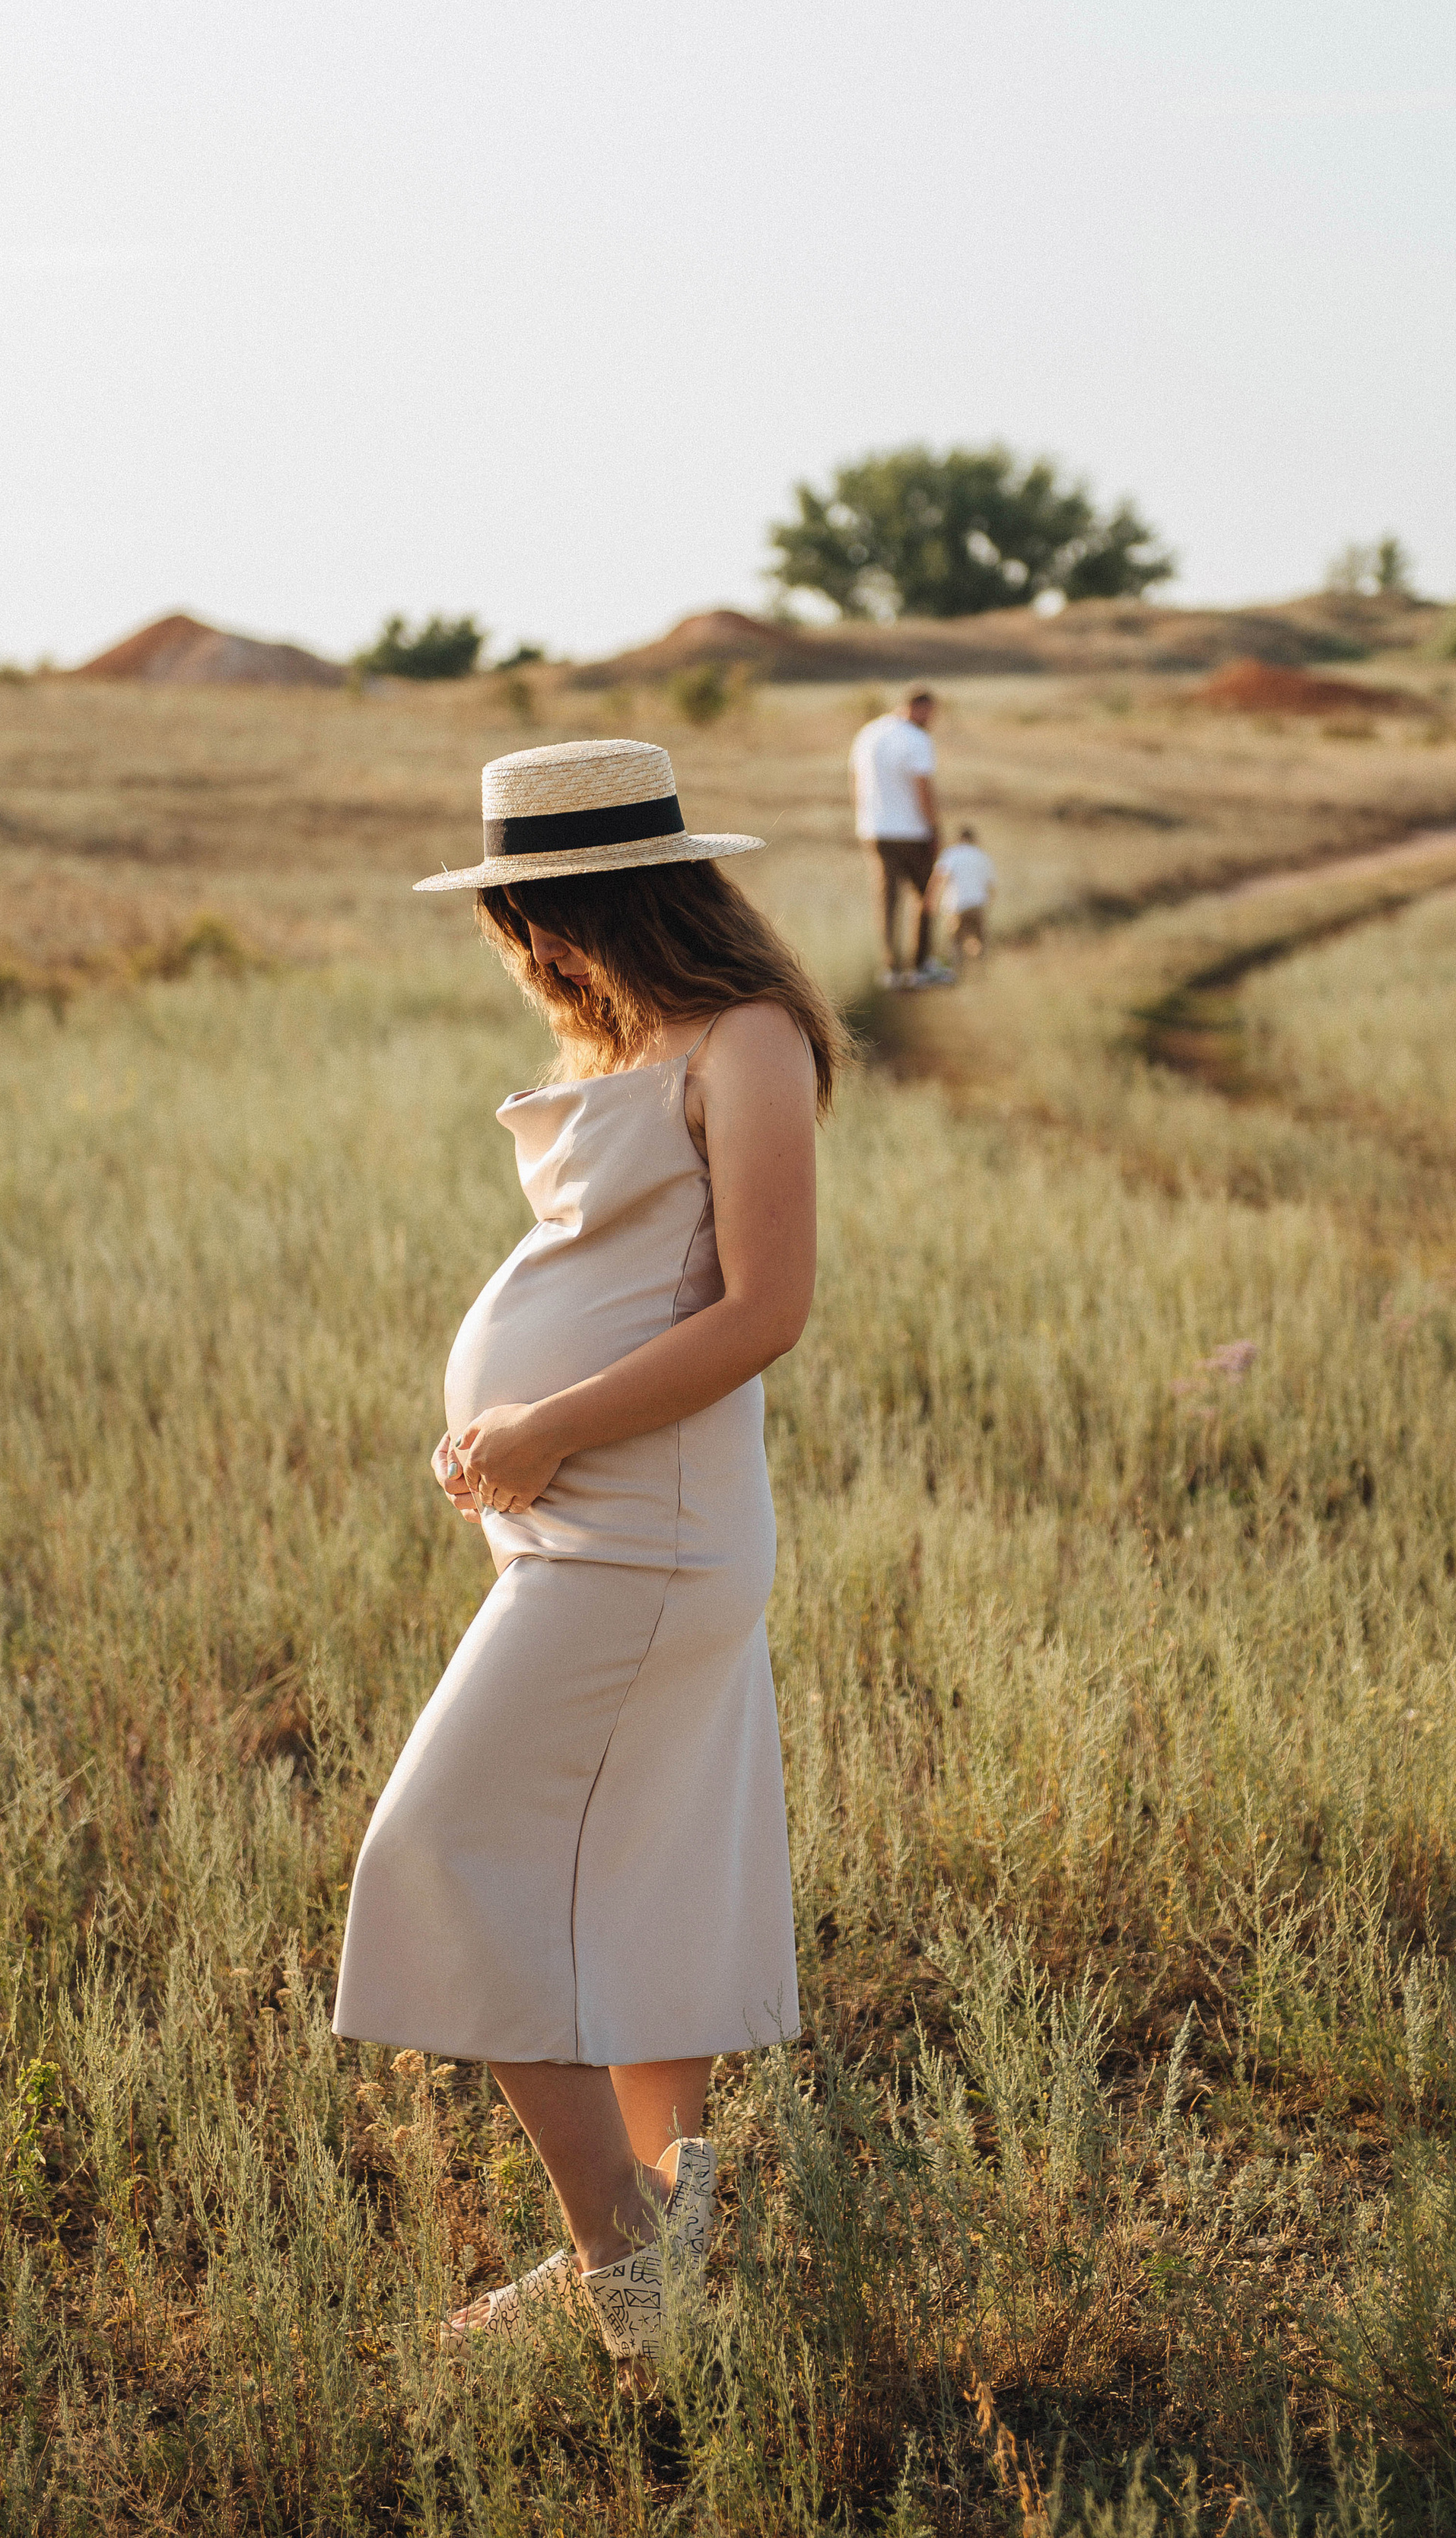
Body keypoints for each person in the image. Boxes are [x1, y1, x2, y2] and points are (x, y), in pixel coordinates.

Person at [332, 737, 845, 2365]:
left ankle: (622, 2265)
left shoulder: (747, 1041)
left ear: (613, 901)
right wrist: (510, 1422)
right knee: (640, 1868)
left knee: (435, 1852)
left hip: (645, 1537)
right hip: (585, 1526)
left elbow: (764, 1310)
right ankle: (667, 2232)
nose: (526, 952)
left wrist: (546, 1425)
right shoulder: (646, 1042)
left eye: (535, 916)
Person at [849, 686, 954, 988]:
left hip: (874, 829)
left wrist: (863, 820)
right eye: (930, 713)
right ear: (917, 707)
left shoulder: (868, 733)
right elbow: (923, 789)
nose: (931, 720)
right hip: (911, 831)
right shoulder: (916, 739)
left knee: (886, 898)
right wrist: (935, 829)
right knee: (926, 894)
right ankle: (920, 965)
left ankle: (891, 969)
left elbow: (855, 780)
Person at [928, 824, 996, 965]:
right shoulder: (982, 856)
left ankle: (958, 973)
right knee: (979, 941)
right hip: (978, 905)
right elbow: (991, 887)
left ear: (959, 839)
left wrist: (932, 900)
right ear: (974, 839)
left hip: (956, 906)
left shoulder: (951, 854)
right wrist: (988, 906)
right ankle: (980, 971)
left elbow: (940, 879)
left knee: (956, 943)